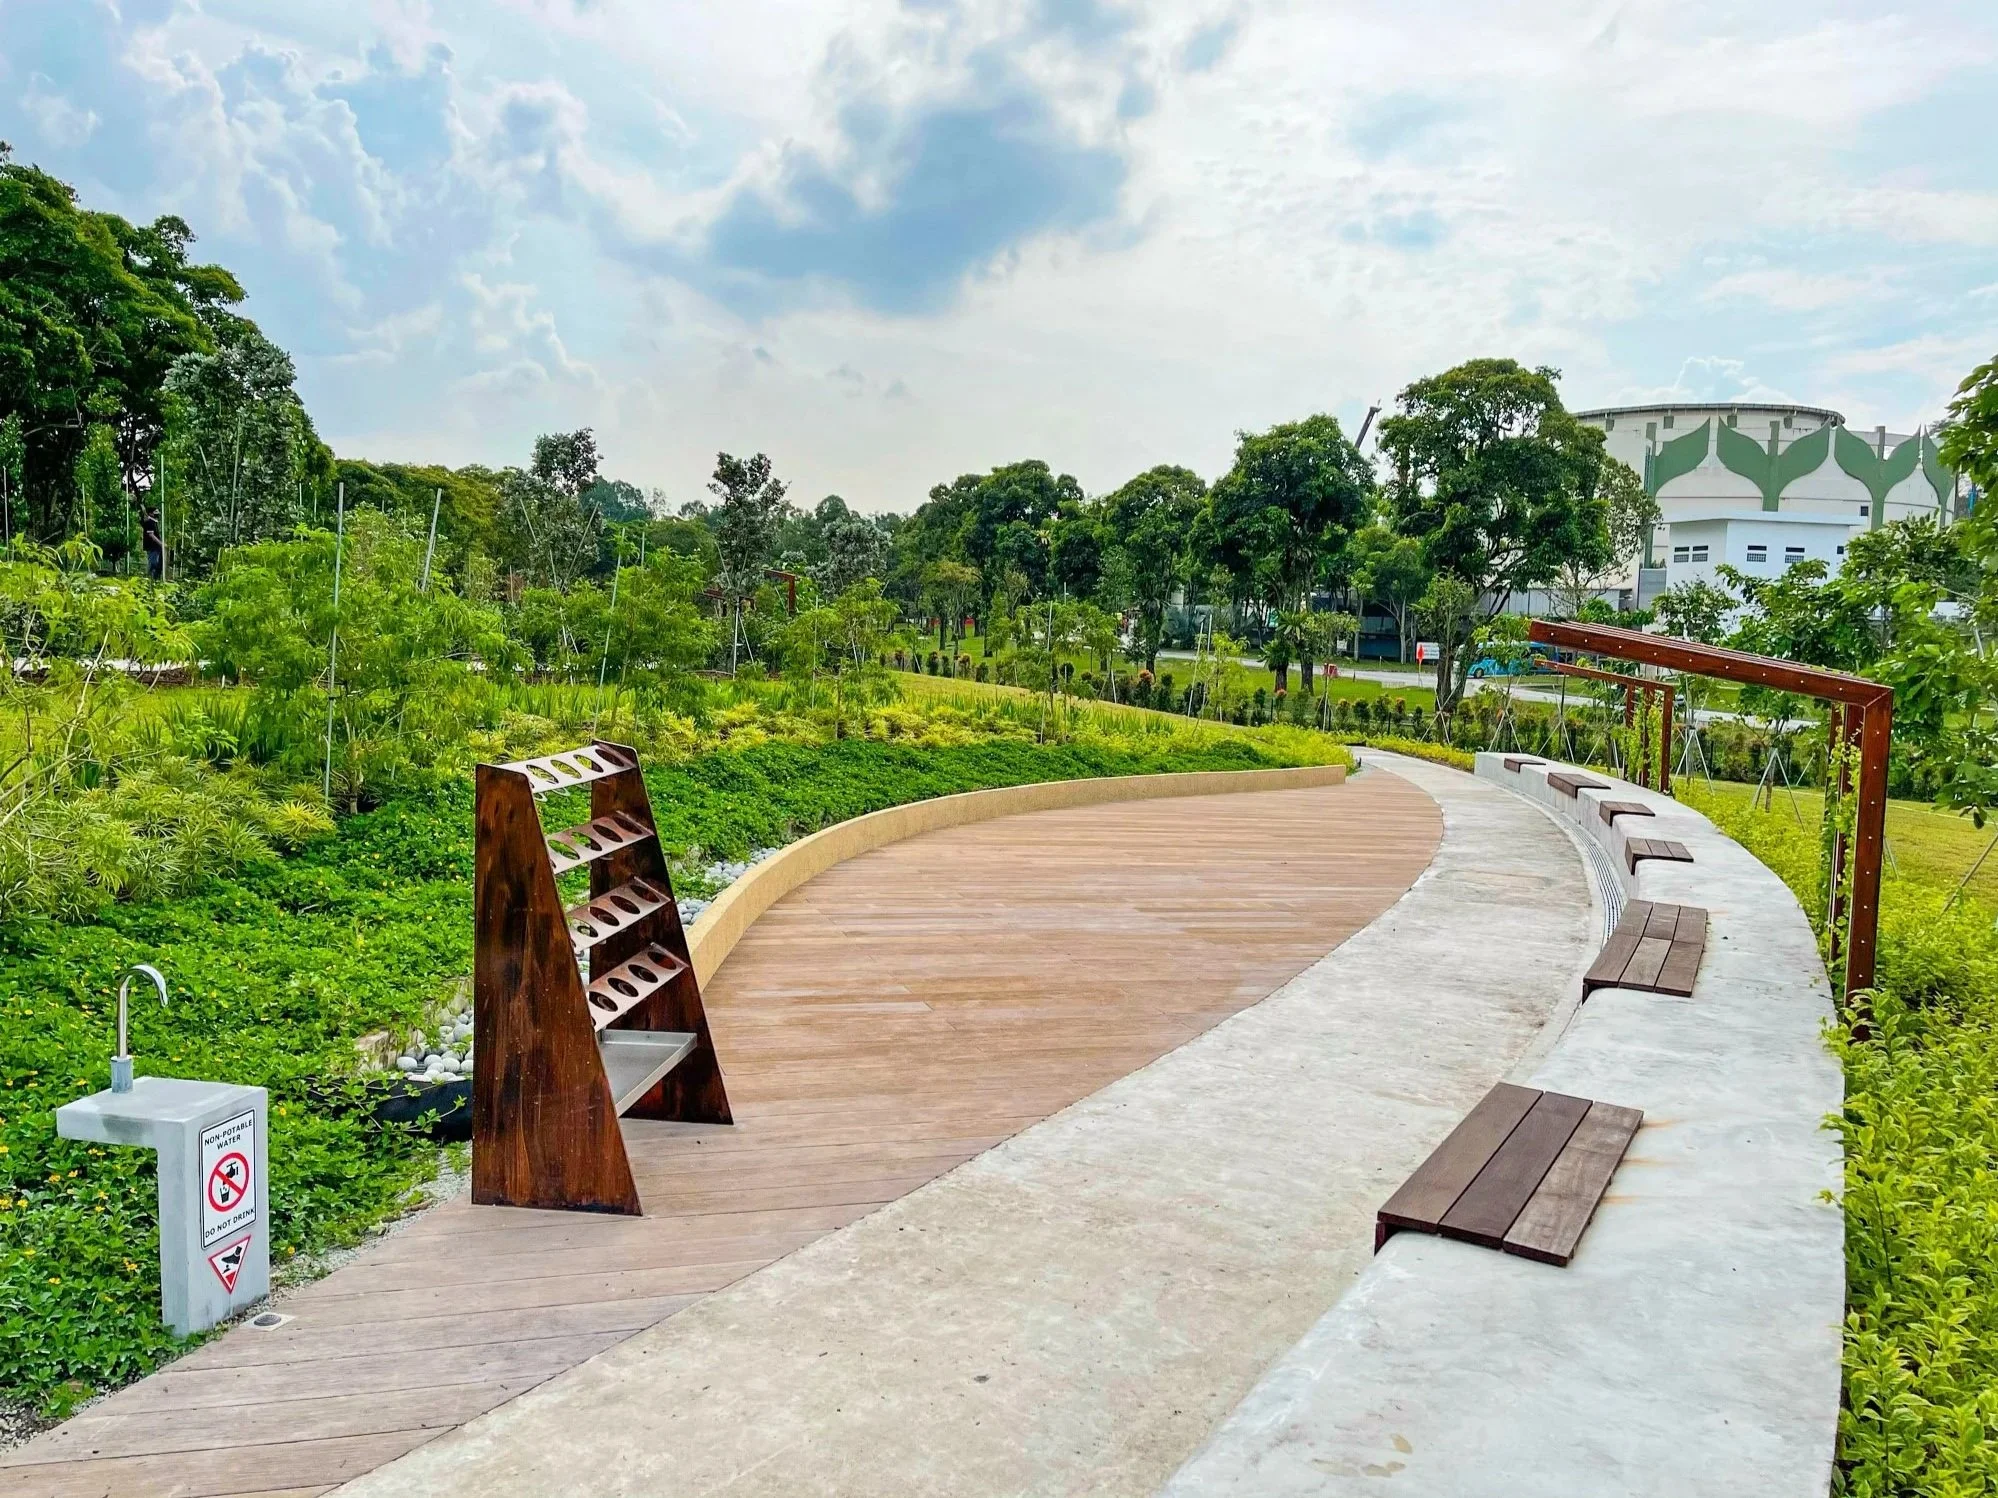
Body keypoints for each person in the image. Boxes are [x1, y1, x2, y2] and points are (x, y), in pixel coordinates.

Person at [141, 506, 163, 580]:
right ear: (150, 513)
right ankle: (151, 580)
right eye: (155, 512)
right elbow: (151, 535)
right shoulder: (149, 522)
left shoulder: (154, 522)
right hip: (152, 546)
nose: (158, 514)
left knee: (157, 564)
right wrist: (161, 543)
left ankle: (154, 580)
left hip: (156, 547)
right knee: (153, 564)